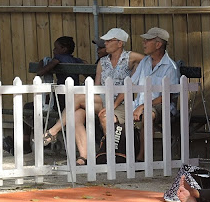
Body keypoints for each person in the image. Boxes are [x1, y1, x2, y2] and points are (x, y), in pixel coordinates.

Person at [43, 28, 143, 165]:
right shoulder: (103, 62)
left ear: (120, 43)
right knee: (77, 109)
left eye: (109, 41)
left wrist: (137, 68)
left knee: (77, 106)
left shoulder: (130, 57)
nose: (105, 44)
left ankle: (54, 131)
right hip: (102, 100)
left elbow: (148, 59)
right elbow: (96, 87)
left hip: (121, 102)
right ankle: (84, 156)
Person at [112, 27, 179, 160]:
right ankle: (116, 154)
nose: (143, 43)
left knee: (147, 115)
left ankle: (142, 157)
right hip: (138, 105)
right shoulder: (144, 62)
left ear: (158, 44)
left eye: (147, 40)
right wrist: (113, 106)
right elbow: (130, 85)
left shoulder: (171, 67)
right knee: (108, 117)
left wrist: (143, 106)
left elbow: (168, 96)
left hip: (160, 106)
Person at [22, 36, 84, 153]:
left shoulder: (59, 58)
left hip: (61, 101)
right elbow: (85, 67)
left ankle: (26, 143)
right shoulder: (76, 60)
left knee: (28, 108)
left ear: (64, 49)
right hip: (73, 98)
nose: (54, 51)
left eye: (56, 48)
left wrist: (41, 62)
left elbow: (41, 72)